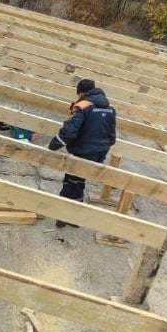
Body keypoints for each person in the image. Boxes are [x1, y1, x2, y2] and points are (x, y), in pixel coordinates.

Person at [48, 78, 116, 227]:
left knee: (71, 182)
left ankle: (65, 217)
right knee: (79, 180)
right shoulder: (110, 109)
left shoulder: (83, 106)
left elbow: (70, 130)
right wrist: (102, 148)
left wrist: (54, 145)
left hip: (84, 151)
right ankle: (74, 216)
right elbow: (112, 136)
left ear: (81, 92)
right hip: (99, 153)